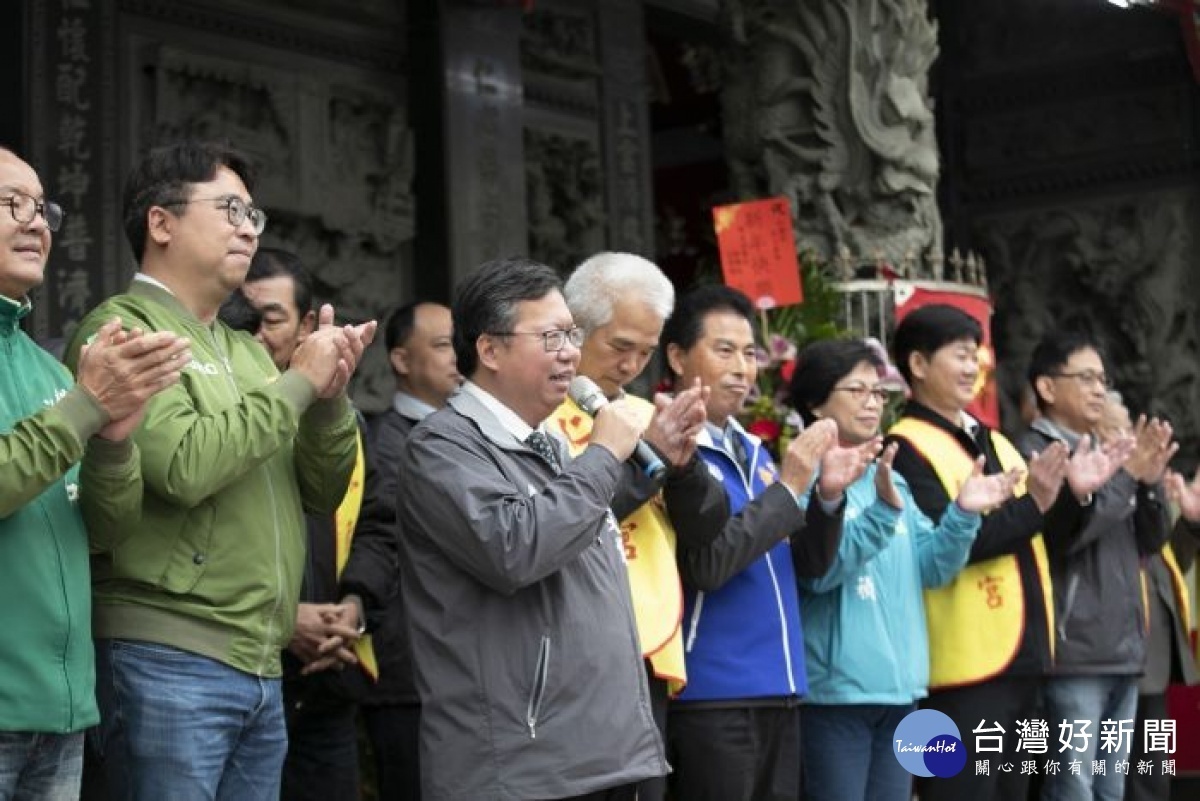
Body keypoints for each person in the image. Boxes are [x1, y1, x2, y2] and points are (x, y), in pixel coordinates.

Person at [63, 141, 375, 801]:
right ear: (161, 223)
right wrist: (297, 384)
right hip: (167, 655)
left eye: (253, 214)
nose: (248, 228)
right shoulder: (124, 329)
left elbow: (320, 492)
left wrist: (329, 399)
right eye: (230, 208)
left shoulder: (243, 348)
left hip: (259, 660)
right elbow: (183, 466)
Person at [396, 256, 666, 800]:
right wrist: (603, 456)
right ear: (490, 350)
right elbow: (514, 548)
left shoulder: (553, 446)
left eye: (572, 333)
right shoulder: (443, 445)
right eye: (549, 336)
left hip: (602, 754)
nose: (570, 351)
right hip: (520, 767)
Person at [0, 146, 189, 800]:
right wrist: (85, 404)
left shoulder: (52, 371)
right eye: (10, 204)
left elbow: (106, 532)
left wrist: (112, 441)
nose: (37, 223)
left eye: (42, 208)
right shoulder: (73, 386)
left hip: (64, 710)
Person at [886, 304, 1125, 801]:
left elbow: (1043, 538)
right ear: (918, 364)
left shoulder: (991, 439)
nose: (974, 368)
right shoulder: (905, 447)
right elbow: (952, 546)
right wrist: (1037, 503)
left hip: (1024, 657)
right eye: (960, 355)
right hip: (958, 669)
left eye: (977, 356)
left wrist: (1073, 497)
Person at [660, 284, 876, 801]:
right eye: (724, 350)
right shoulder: (670, 447)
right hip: (713, 691)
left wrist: (825, 498)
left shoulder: (754, 450)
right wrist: (791, 485)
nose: (742, 367)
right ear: (676, 355)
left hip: (780, 686)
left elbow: (807, 568)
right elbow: (709, 565)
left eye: (750, 353)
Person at [787, 338, 1019, 801]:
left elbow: (932, 568)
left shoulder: (891, 479)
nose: (872, 403)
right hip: (837, 695)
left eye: (878, 393)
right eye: (857, 390)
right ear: (815, 403)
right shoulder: (803, 477)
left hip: (902, 689)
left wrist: (962, 515)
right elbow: (820, 571)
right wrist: (879, 516)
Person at [550, 252, 730, 801]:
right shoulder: (537, 415)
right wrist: (648, 456)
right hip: (569, 654)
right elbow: (565, 519)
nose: (631, 365)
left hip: (649, 648)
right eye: (619, 346)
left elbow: (704, 531)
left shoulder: (643, 412)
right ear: (572, 328)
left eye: (645, 351)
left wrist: (683, 464)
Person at [240, 248, 395, 801]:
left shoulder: (340, 418)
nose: (255, 333)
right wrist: (288, 620)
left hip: (329, 678)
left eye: (272, 319)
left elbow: (379, 526)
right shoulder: (224, 411)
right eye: (243, 317)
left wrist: (352, 608)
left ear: (308, 324)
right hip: (248, 669)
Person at [1017, 331, 1173, 801]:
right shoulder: (1035, 452)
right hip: (1072, 653)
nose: (1099, 390)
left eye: (1102, 379)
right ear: (1046, 387)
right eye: (1086, 378)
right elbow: (1067, 534)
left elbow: (1152, 539)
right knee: (1073, 787)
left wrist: (1147, 484)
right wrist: (1125, 478)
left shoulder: (1104, 452)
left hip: (1122, 648)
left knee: (1110, 789)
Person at [359, 299, 462, 800]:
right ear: (400, 360)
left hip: (465, 667)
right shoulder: (384, 442)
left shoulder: (473, 435)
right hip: (409, 668)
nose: (458, 356)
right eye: (443, 345)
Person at [1104, 393, 1198, 801]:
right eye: (1118, 429)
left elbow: (1162, 561)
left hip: (1153, 659)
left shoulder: (1145, 483)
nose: (1130, 439)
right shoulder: (1096, 483)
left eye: (1130, 428)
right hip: (1108, 653)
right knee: (1110, 777)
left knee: (1152, 773)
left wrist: (1191, 524)